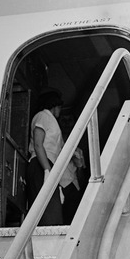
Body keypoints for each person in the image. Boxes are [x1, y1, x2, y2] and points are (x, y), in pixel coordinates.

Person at [26, 89, 86, 225]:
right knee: (48, 212)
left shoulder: (52, 121)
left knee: (53, 211)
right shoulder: (42, 116)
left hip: (49, 166)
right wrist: (47, 170)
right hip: (40, 164)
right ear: (54, 105)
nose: (60, 111)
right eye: (59, 106)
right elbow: (38, 144)